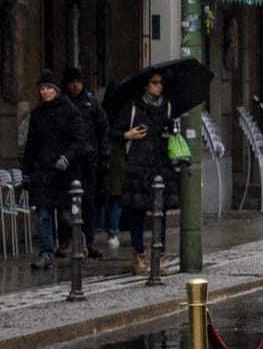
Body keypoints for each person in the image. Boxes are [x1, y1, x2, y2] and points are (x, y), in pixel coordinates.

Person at [23, 70, 89, 270]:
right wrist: (27, 171)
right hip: (42, 171)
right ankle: (46, 253)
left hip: (64, 173)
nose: (44, 92)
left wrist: (66, 157)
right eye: (42, 89)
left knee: (66, 216)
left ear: (56, 90)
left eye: (48, 88)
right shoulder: (37, 115)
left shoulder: (70, 111)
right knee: (43, 214)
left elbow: (80, 140)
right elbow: (31, 145)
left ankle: (79, 241)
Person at [118, 70, 178, 276]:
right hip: (138, 165)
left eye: (161, 82)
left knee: (159, 212)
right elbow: (114, 131)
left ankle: (159, 257)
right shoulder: (134, 107)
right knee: (137, 212)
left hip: (160, 164)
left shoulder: (167, 107)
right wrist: (128, 134)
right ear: (146, 86)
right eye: (155, 82)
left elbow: (171, 134)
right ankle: (138, 256)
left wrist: (170, 129)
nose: (159, 86)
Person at [62, 66, 108, 258]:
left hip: (88, 160)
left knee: (87, 202)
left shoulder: (91, 104)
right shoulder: (62, 104)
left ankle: (89, 241)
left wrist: (104, 154)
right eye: (72, 82)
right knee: (67, 202)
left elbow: (103, 128)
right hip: (69, 160)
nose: (75, 86)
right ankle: (65, 241)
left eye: (78, 82)